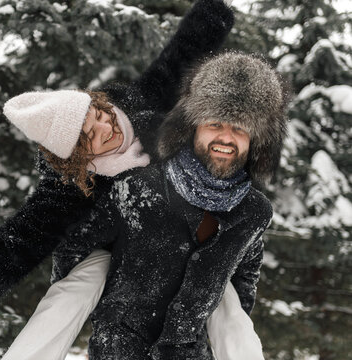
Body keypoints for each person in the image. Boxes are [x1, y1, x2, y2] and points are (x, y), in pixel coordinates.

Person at [0, 1, 263, 359]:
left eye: (97, 116)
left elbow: (183, 53)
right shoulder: (74, 185)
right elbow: (21, 238)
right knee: (70, 291)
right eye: (87, 138)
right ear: (76, 157)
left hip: (182, 234)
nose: (104, 129)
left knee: (223, 299)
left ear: (97, 103)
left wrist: (215, 9)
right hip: (115, 250)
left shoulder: (141, 105)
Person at [53, 52, 288, 359]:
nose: (226, 138)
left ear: (255, 140)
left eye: (240, 129)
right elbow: (73, 249)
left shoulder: (253, 212)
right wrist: (108, 315)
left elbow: (244, 276)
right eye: (215, 123)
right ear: (192, 127)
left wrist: (213, 326)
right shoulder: (138, 186)